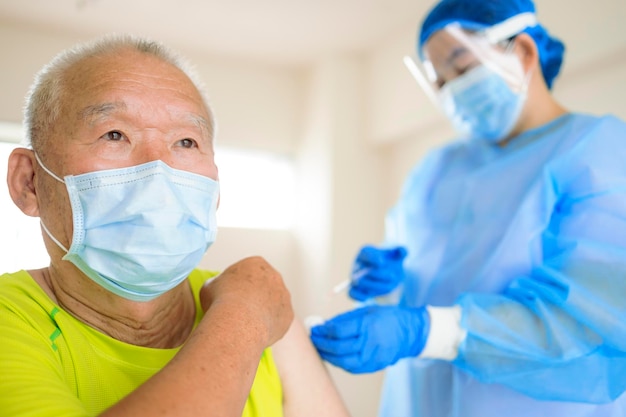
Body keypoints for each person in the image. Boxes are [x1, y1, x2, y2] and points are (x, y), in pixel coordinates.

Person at [1, 34, 351, 417]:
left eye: (186, 142)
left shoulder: (262, 302)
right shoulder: (256, 305)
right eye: (114, 134)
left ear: (215, 189)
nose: (159, 169)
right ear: (29, 182)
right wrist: (244, 318)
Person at [310, 0, 626, 416]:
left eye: (462, 67)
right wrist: (386, 286)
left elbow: (589, 324)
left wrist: (423, 332)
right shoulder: (436, 169)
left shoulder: (599, 151)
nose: (453, 90)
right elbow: (421, 283)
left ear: (524, 53)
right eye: (440, 81)